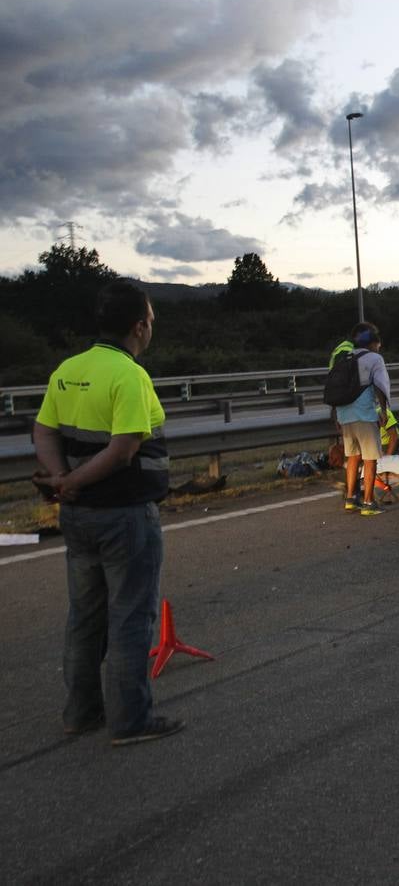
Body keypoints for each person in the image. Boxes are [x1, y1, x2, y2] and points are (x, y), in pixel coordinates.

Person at [31, 280, 184, 746]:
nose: (152, 326)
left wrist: (61, 482)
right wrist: (71, 484)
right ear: (139, 326)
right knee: (131, 619)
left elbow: (43, 431)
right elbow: (123, 450)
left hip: (78, 518)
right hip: (124, 514)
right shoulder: (129, 375)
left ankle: (81, 713)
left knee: (85, 618)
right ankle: (131, 721)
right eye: (152, 319)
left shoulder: (68, 369)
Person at [337, 323, 391, 515]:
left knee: (352, 457)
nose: (379, 348)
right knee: (370, 459)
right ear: (373, 343)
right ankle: (368, 503)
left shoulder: (346, 356)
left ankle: (350, 499)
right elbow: (381, 386)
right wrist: (383, 411)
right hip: (364, 415)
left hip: (344, 415)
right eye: (378, 344)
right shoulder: (374, 359)